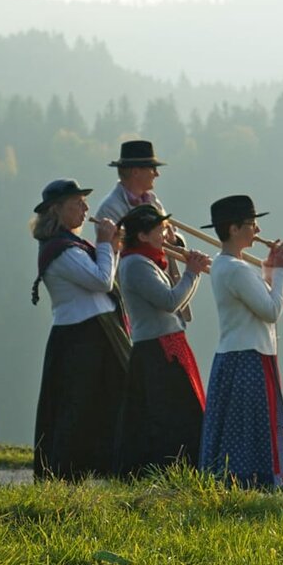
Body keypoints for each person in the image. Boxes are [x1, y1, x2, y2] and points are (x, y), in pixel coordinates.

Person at [30, 178, 128, 480]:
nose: (86, 209)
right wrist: (105, 242)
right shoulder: (61, 251)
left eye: (85, 203)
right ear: (57, 210)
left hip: (97, 333)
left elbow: (105, 274)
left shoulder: (72, 245)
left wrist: (112, 247)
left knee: (107, 401)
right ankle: (64, 474)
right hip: (79, 338)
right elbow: (102, 280)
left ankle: (109, 468)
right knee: (77, 408)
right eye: (78, 203)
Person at [198, 195, 283, 490]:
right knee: (251, 426)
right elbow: (271, 310)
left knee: (239, 426)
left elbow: (258, 300)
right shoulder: (236, 269)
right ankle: (252, 484)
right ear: (233, 229)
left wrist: (269, 272)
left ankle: (240, 484)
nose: (257, 230)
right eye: (252, 224)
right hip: (248, 357)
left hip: (237, 354)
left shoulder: (225, 264)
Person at [115, 204, 212, 476]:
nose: (165, 235)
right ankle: (171, 470)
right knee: (169, 415)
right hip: (156, 350)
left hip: (167, 344)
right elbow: (169, 302)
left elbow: (176, 302)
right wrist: (192, 272)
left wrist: (192, 273)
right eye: (159, 230)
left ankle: (187, 469)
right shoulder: (135, 264)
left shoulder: (147, 261)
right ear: (143, 236)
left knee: (185, 411)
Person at [95, 140, 190, 324]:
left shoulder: (152, 199)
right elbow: (118, 252)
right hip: (138, 298)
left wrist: (174, 240)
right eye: (152, 168)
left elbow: (167, 234)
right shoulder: (110, 209)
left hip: (164, 286)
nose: (157, 174)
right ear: (136, 172)